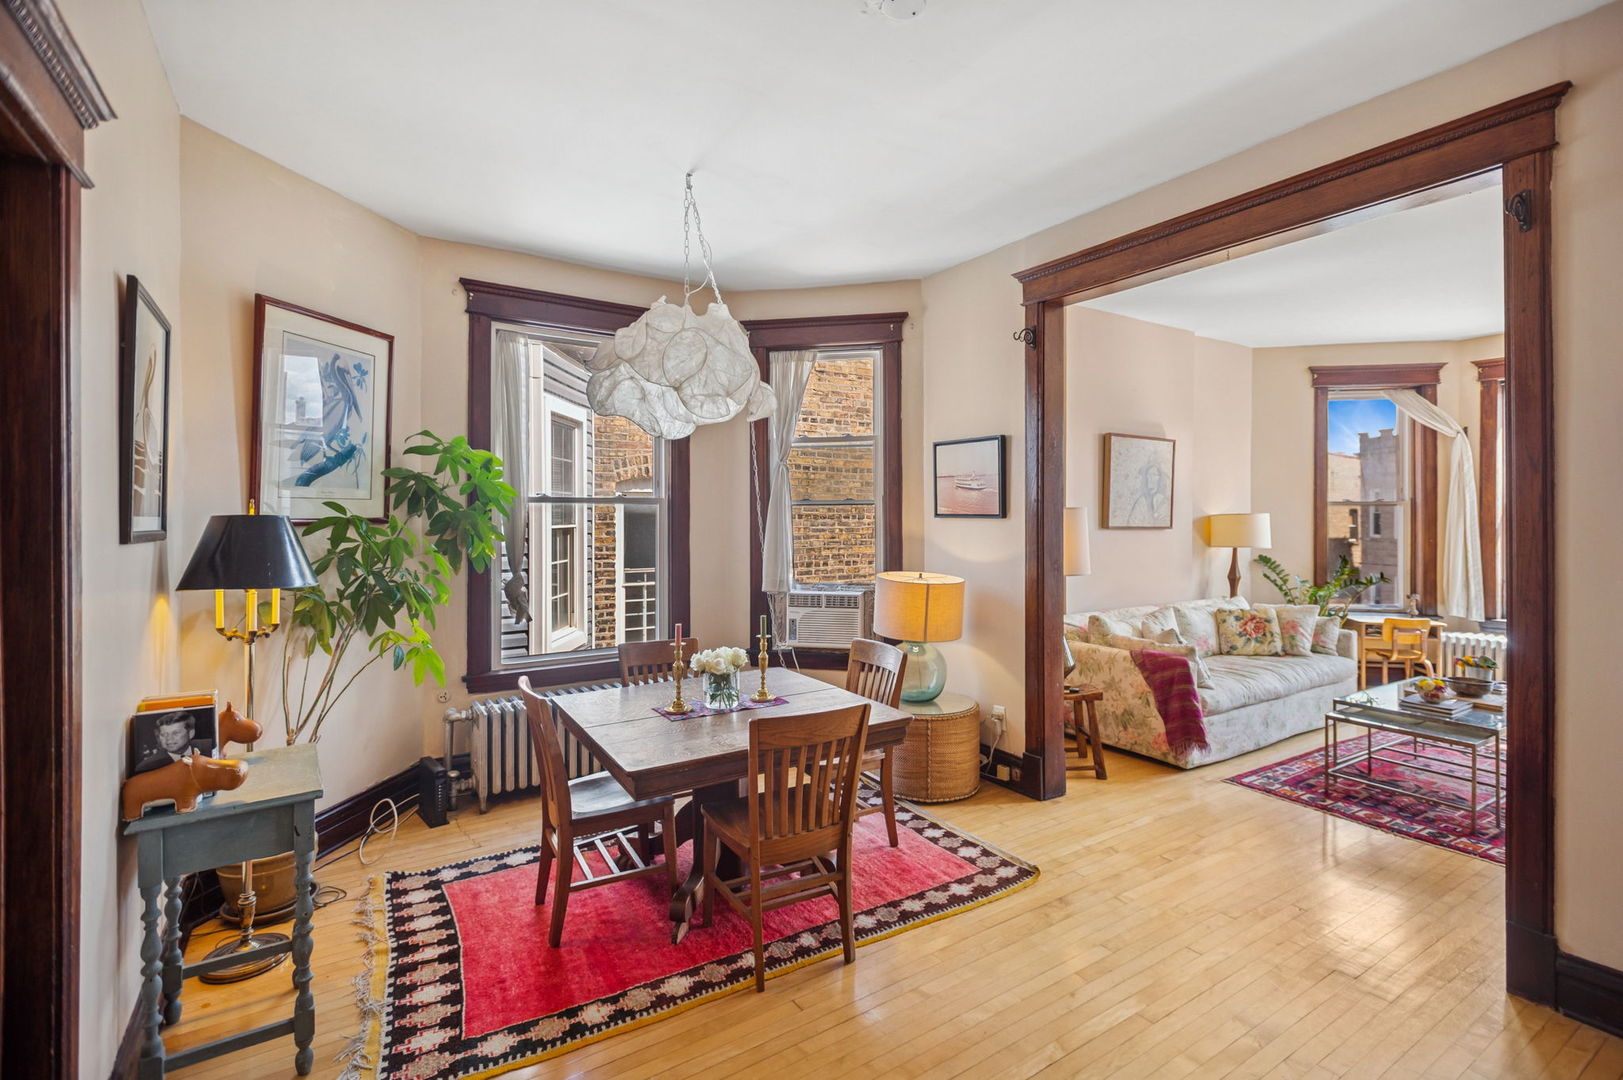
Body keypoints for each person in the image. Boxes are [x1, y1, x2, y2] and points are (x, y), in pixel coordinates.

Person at [134, 711, 210, 774]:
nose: (169, 739)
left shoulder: (209, 746)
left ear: (191, 733)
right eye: (164, 734)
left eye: (175, 733)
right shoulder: (147, 767)